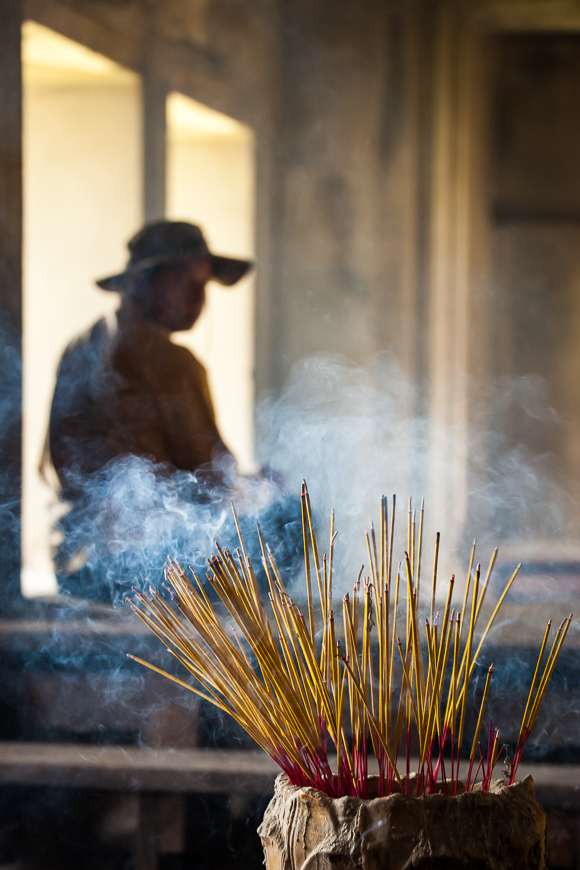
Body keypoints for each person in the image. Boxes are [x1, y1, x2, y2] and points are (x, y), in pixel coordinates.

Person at [46, 220, 255, 600]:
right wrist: (259, 488)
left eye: (203, 284)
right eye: (186, 282)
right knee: (294, 516)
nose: (198, 297)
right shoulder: (170, 361)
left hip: (80, 564)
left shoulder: (82, 344)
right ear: (141, 283)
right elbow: (212, 476)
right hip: (150, 571)